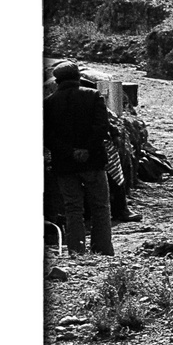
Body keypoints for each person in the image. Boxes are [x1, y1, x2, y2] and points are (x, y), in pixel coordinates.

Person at [44, 61, 115, 255]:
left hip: (65, 164)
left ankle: (76, 251)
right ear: (78, 78)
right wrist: (86, 150)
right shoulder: (93, 96)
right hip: (93, 161)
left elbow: (47, 136)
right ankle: (102, 250)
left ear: (57, 81)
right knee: (100, 206)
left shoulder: (49, 103)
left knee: (72, 208)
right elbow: (102, 128)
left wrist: (70, 152)